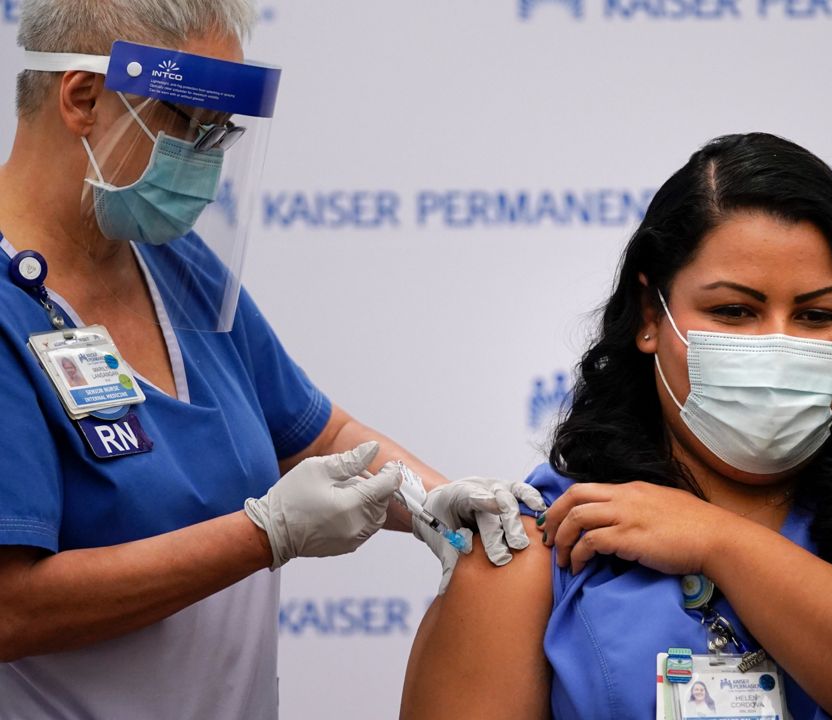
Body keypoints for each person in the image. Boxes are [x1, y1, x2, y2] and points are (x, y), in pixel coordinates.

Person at [400, 133, 832, 719]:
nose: (777, 344)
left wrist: (721, 544)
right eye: (733, 312)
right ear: (648, 316)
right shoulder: (545, 535)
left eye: (815, 316)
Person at [0, 2, 540, 718]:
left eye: (222, 131)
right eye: (187, 122)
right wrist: (264, 535)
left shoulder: (170, 262)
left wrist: (430, 496)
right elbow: (11, 611)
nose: (206, 156)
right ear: (83, 98)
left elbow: (312, 437)